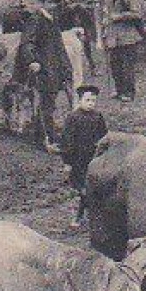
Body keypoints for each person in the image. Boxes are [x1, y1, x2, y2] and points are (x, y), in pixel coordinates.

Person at [15, 0, 73, 152]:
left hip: (54, 67)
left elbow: (58, 46)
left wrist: (65, 66)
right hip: (43, 67)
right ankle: (47, 140)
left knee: (49, 102)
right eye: (50, 3)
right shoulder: (36, 19)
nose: (53, 6)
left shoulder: (51, 20)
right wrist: (32, 60)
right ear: (43, 3)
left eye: (55, 3)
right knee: (45, 103)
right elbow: (27, 43)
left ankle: (42, 135)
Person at [59, 83, 109, 227]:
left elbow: (104, 136)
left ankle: (87, 216)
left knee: (91, 188)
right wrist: (67, 162)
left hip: (93, 158)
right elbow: (67, 141)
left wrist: (102, 152)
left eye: (93, 101)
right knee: (83, 189)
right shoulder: (73, 117)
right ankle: (80, 216)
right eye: (87, 100)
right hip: (78, 160)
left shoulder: (98, 117)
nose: (90, 104)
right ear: (80, 100)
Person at [103, 0, 145, 102]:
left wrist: (120, 16)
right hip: (114, 36)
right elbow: (108, 14)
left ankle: (129, 92)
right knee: (115, 65)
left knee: (127, 66)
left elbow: (137, 14)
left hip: (129, 36)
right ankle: (119, 90)